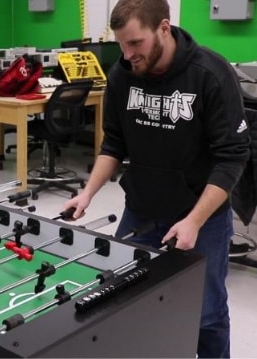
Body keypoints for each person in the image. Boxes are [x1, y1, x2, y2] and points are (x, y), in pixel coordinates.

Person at [62, 0, 249, 357]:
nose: (128, 54)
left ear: (164, 28)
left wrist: (193, 221)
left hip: (201, 218)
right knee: (123, 300)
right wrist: (86, 195)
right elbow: (113, 143)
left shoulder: (210, 73)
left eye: (136, 43)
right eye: (122, 44)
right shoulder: (122, 74)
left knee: (206, 315)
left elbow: (231, 157)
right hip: (142, 210)